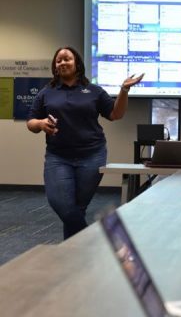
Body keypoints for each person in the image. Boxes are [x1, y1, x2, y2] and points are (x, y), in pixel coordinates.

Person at [26, 46, 144, 239]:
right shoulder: (46, 93)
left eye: (67, 59)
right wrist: (40, 123)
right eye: (59, 60)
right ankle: (95, 240)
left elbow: (115, 114)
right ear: (55, 67)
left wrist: (124, 90)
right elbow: (31, 122)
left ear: (77, 63)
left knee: (77, 209)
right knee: (63, 205)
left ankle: (73, 256)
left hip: (92, 155)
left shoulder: (94, 91)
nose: (62, 63)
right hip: (58, 157)